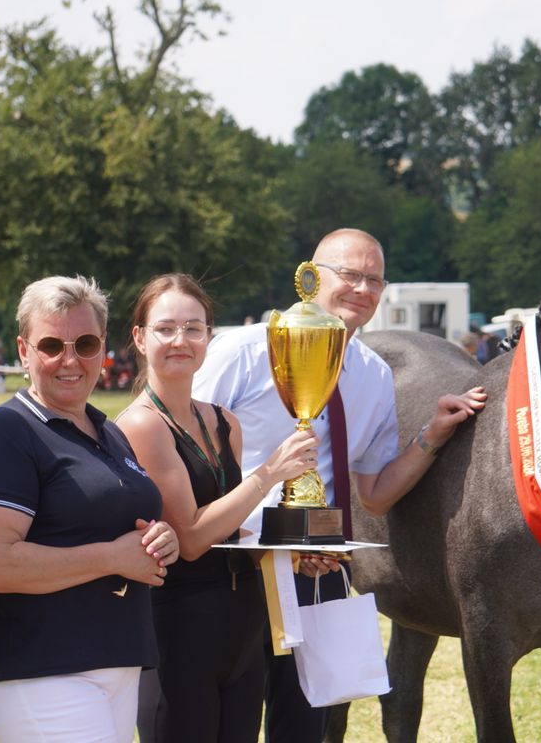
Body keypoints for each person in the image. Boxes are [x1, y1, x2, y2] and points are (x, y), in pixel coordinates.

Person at [193, 228, 487, 742]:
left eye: (375, 280)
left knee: (307, 726)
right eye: (350, 274)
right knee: (226, 724)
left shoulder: (372, 374)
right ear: (311, 275)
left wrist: (430, 437)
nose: (363, 289)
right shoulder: (241, 351)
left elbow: (373, 491)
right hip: (230, 566)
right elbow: (187, 454)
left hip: (317, 569)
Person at [0, 275, 180, 742]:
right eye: (52, 344)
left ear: (104, 349)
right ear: (23, 350)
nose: (70, 359)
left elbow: (117, 524)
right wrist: (113, 557)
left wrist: (162, 540)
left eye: (86, 343)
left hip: (113, 659)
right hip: (38, 669)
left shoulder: (108, 431)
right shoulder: (7, 433)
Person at [115, 274, 320, 743]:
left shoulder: (223, 420)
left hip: (243, 622)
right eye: (165, 328)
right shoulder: (142, 425)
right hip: (181, 627)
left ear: (209, 335)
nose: (180, 340)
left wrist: (287, 553)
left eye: (193, 327)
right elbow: (188, 538)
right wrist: (269, 473)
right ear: (140, 338)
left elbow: (232, 529)